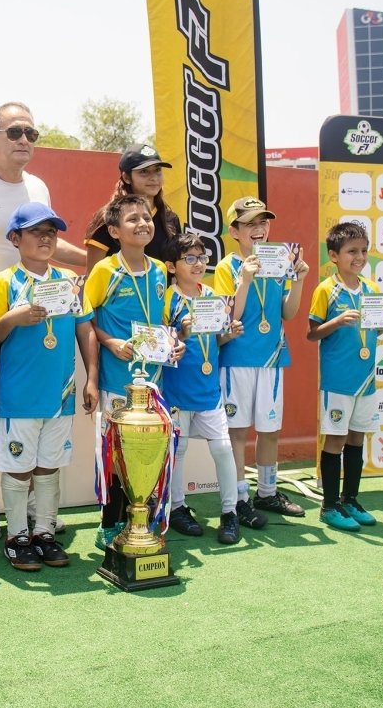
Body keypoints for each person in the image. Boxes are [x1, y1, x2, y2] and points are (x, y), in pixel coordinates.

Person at [0, 101, 87, 541]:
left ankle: (32, 508)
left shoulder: (39, 188)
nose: (24, 140)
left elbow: (49, 243)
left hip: (36, 325)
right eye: (14, 133)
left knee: (26, 413)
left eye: (31, 133)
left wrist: (97, 266)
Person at [0, 202, 99, 571]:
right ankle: (16, 536)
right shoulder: (3, 281)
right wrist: (13, 318)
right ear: (15, 238)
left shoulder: (68, 281)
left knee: (49, 467)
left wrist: (92, 378)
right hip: (19, 396)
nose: (46, 237)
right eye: (36, 231)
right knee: (18, 468)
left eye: (52, 231)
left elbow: (84, 330)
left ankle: (44, 532)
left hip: (59, 395)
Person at [84, 194, 184, 550]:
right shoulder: (105, 271)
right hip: (117, 381)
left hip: (153, 382)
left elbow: (160, 320)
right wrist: (109, 342)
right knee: (115, 455)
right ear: (114, 230)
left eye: (146, 217)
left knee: (146, 453)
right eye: (132, 219)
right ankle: (109, 524)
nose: (142, 223)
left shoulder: (159, 270)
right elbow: (86, 318)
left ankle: (140, 520)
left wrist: (174, 342)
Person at [212, 196, 310, 530]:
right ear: (234, 230)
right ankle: (239, 498)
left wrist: (298, 280)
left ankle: (267, 493)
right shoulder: (227, 266)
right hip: (237, 359)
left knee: (269, 431)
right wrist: (245, 280)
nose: (259, 229)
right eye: (251, 223)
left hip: (272, 358)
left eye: (263, 222)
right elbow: (231, 318)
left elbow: (288, 312)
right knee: (237, 432)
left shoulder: (280, 260)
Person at [306, 221, 383, 531]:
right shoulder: (326, 289)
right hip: (337, 381)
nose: (359, 257)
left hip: (365, 379)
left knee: (357, 438)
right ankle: (329, 505)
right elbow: (312, 334)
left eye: (363, 250)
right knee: (335, 439)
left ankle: (350, 500)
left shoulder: (372, 289)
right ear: (334, 255)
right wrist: (337, 321)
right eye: (351, 251)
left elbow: (374, 330)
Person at [161, 233, 244, 543]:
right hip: (175, 392)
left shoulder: (212, 296)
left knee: (222, 448)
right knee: (177, 451)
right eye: (190, 259)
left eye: (203, 257)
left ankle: (229, 513)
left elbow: (215, 340)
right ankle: (178, 508)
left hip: (208, 389)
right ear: (172, 266)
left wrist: (228, 334)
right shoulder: (165, 299)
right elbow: (159, 346)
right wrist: (178, 333)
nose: (199, 264)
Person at [83, 143, 183, 273]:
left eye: (157, 170)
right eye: (144, 172)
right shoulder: (107, 217)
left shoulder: (171, 219)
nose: (153, 178)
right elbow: (92, 275)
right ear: (126, 177)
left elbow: (177, 274)